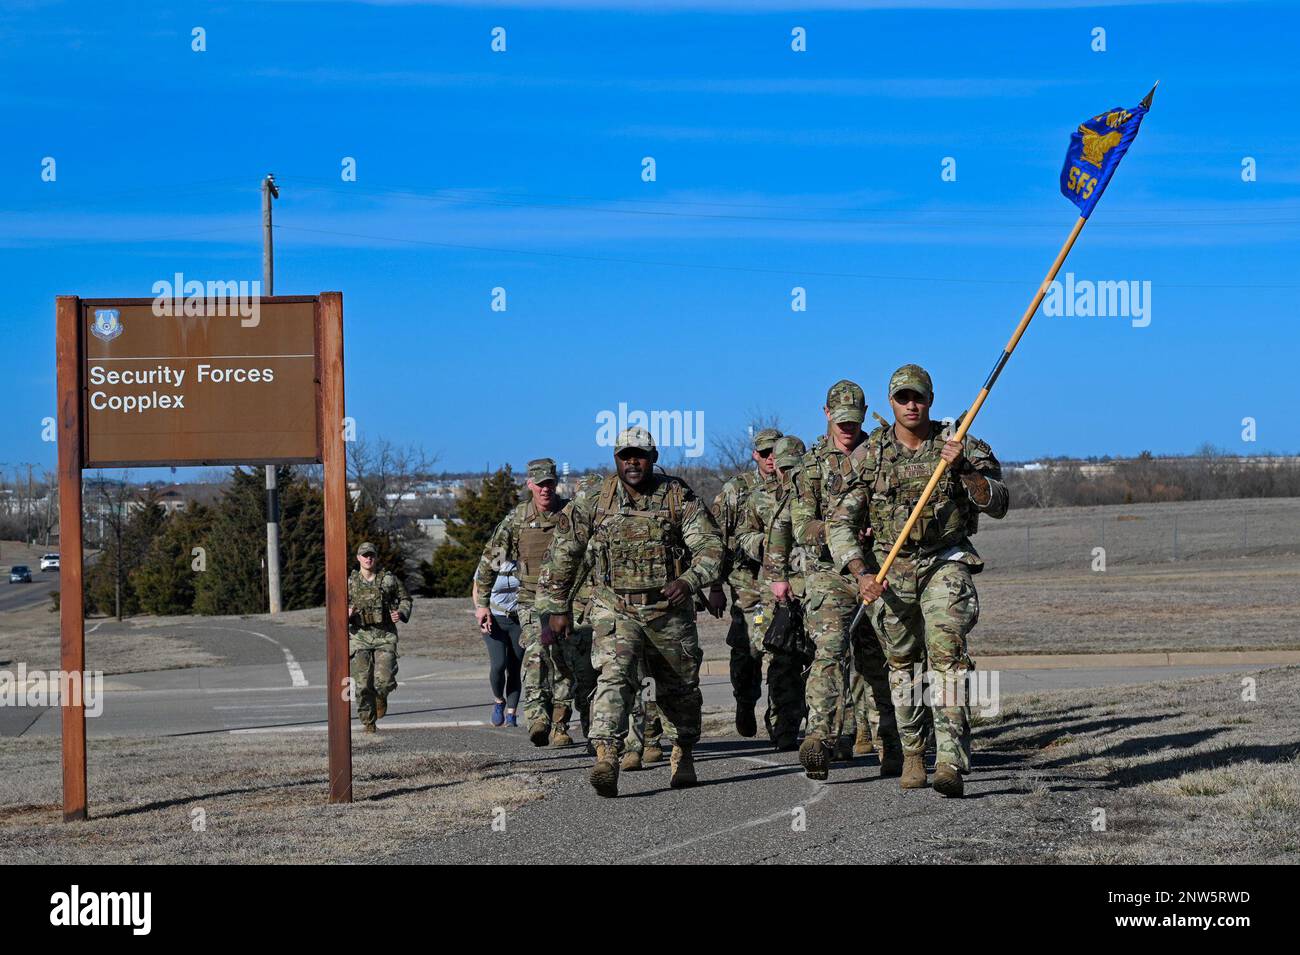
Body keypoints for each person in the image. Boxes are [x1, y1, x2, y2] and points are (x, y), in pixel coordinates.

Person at [828, 364, 1009, 798]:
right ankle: (913, 752)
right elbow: (840, 524)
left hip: (943, 561)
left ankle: (949, 760)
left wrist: (963, 467)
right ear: (890, 404)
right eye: (902, 398)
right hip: (890, 571)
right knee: (903, 665)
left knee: (948, 656)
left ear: (930, 399)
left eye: (919, 397)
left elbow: (999, 502)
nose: (911, 405)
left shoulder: (958, 442)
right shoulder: (869, 458)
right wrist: (862, 573)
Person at [538, 427, 723, 797]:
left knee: (680, 689)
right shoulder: (594, 499)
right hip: (614, 607)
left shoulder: (676, 496)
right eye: (625, 456)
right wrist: (556, 607)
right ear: (616, 460)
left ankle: (683, 751)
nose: (632, 462)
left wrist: (688, 581)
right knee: (614, 675)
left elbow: (711, 547)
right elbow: (563, 552)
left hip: (668, 611)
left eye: (639, 455)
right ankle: (606, 755)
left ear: (653, 458)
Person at [787, 380, 901, 781]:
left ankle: (892, 743)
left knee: (880, 659)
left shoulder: (882, 455)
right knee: (830, 651)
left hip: (883, 569)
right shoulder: (810, 466)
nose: (847, 428)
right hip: (830, 574)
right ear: (826, 414)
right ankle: (820, 739)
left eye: (854, 420)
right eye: (841, 421)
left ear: (866, 414)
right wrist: (842, 533)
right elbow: (802, 526)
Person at [473, 458, 593, 747]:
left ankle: (571, 726)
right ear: (529, 485)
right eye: (539, 485)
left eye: (549, 484)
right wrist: (483, 604)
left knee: (573, 665)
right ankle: (538, 717)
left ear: (556, 483)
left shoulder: (572, 515)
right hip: (531, 602)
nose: (545, 490)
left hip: (571, 602)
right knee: (537, 652)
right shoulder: (517, 520)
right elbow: (491, 561)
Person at [732, 434, 808, 750]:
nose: (784, 469)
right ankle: (782, 727)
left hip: (813, 587)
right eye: (779, 463)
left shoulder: (815, 492)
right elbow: (740, 536)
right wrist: (763, 544)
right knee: (776, 657)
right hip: (769, 594)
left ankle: (828, 728)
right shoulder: (757, 496)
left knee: (817, 660)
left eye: (793, 466)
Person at [713, 428, 781, 738]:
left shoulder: (794, 481)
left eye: (775, 451)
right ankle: (745, 700)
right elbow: (717, 540)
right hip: (746, 580)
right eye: (765, 452)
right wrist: (715, 587)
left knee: (783, 646)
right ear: (755, 454)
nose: (771, 458)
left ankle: (781, 716)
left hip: (782, 579)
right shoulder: (736, 490)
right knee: (747, 648)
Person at [348, 541, 413, 733]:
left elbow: (406, 599)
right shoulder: (350, 583)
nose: (368, 558)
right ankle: (369, 723)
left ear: (376, 558)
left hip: (385, 636)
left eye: (371, 555)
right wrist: (346, 613)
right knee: (362, 685)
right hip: (359, 636)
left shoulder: (388, 580)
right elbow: (336, 606)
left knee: (384, 679)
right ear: (358, 558)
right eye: (364, 555)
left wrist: (400, 613)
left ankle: (381, 697)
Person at [472, 562, 524, 727]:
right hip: (494, 619)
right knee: (498, 664)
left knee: (515, 667)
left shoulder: (524, 557)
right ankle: (499, 701)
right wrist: (481, 610)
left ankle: (511, 715)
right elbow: (477, 589)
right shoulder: (493, 559)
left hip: (518, 620)